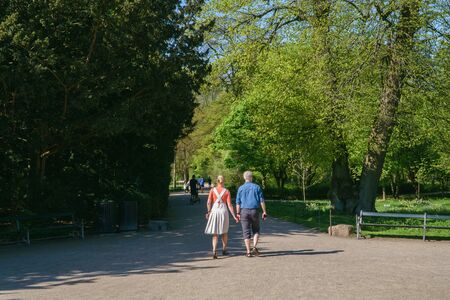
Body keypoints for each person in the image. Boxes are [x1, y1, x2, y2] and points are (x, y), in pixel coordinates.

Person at [204, 175, 238, 259]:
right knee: (224, 232)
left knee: (215, 233)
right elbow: (229, 205)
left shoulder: (212, 190)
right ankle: (224, 249)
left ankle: (214, 251)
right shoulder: (226, 191)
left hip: (214, 211)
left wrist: (208, 212)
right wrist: (234, 216)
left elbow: (209, 202)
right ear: (223, 181)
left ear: (217, 181)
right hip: (223, 211)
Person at [235, 171, 267, 257]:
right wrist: (264, 211)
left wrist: (237, 213)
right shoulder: (257, 187)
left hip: (244, 211)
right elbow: (262, 201)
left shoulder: (240, 188)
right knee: (256, 230)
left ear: (244, 178)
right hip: (254, 211)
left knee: (246, 231)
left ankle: (248, 251)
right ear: (251, 177)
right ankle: (254, 247)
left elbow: (238, 202)